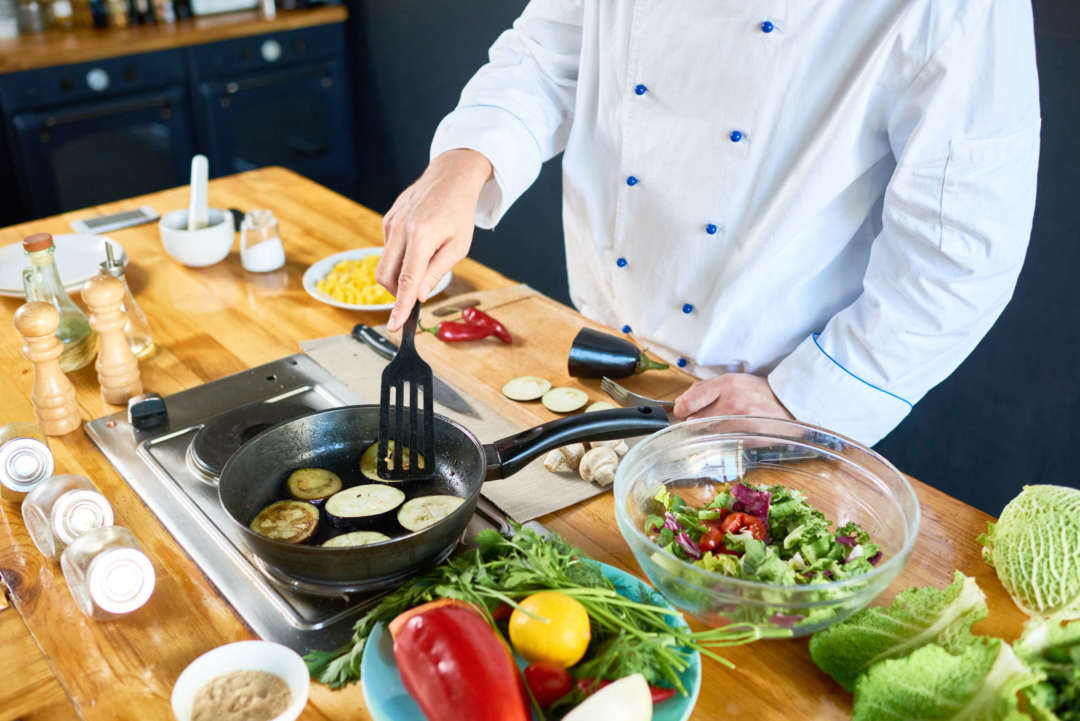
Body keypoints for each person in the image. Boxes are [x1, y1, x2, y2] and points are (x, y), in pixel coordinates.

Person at [375, 1, 1040, 446]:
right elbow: (549, 51)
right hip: (606, 342)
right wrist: (464, 163)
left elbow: (962, 248)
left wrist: (810, 398)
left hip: (771, 396)